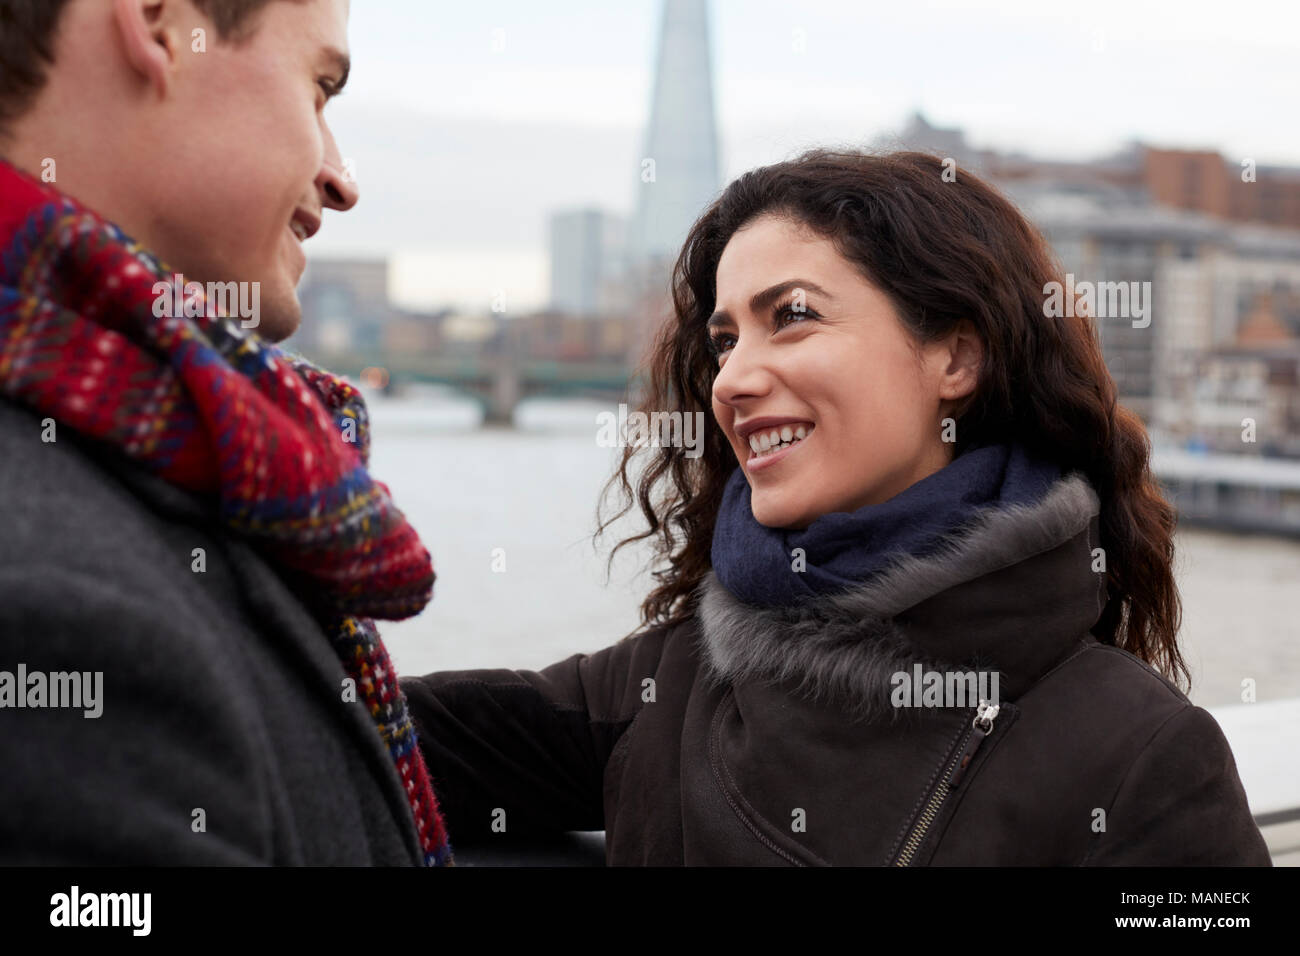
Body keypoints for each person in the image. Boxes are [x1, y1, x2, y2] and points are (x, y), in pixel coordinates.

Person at [401, 148, 1272, 866]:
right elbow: (372, 730)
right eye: (726, 338)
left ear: (956, 360)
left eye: (793, 316)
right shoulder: (670, 684)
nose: (734, 378)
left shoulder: (1144, 759)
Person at [0, 0, 453, 865]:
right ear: (160, 24)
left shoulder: (137, 467)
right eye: (320, 88)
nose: (340, 178)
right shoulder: (57, 614)